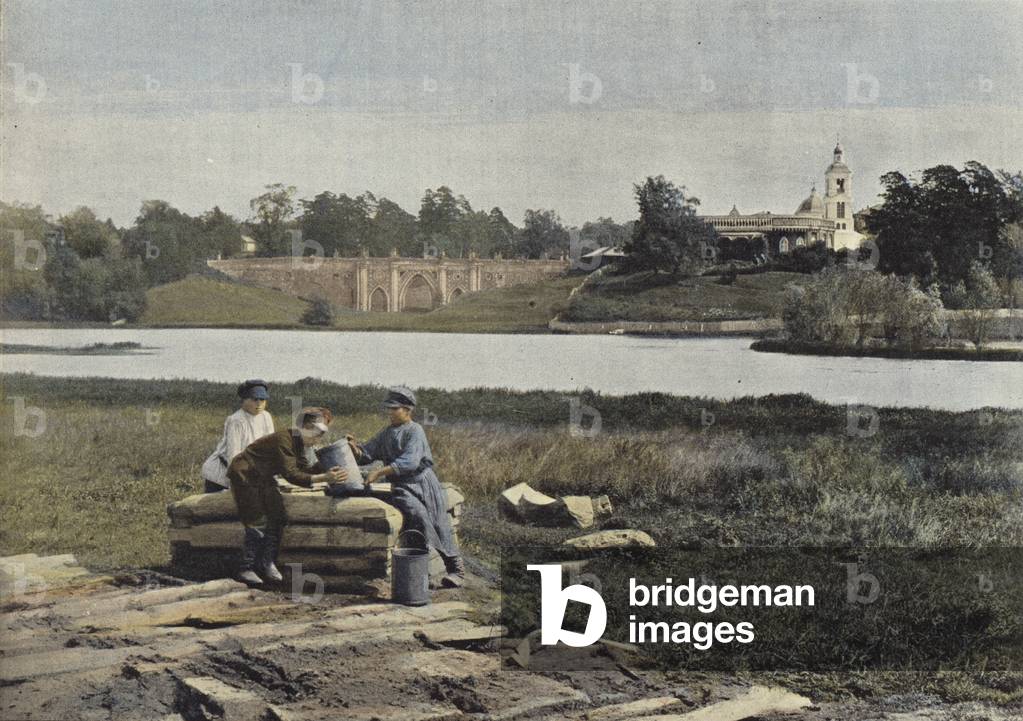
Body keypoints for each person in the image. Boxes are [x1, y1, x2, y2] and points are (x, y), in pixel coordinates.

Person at [348, 387, 465, 588]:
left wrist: (379, 472)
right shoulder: (386, 433)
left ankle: (456, 570)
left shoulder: (414, 430)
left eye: (395, 409)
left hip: (422, 482)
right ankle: (422, 573)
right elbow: (367, 454)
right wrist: (355, 449)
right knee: (417, 518)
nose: (390, 412)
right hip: (402, 486)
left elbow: (410, 462)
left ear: (407, 410)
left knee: (439, 521)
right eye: (389, 408)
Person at [228, 406, 347, 586]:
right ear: (305, 427)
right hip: (245, 475)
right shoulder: (283, 440)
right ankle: (246, 567)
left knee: (278, 516)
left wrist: (326, 467)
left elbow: (304, 469)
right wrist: (325, 477)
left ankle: (266, 563)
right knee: (257, 520)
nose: (317, 440)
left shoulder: (298, 442)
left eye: (320, 435)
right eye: (316, 434)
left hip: (263, 477)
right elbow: (291, 475)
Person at [200, 379, 275, 493]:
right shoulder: (236, 420)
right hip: (221, 474)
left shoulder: (266, 417)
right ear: (244, 400)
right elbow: (233, 457)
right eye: (254, 399)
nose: (259, 403)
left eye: (262, 399)